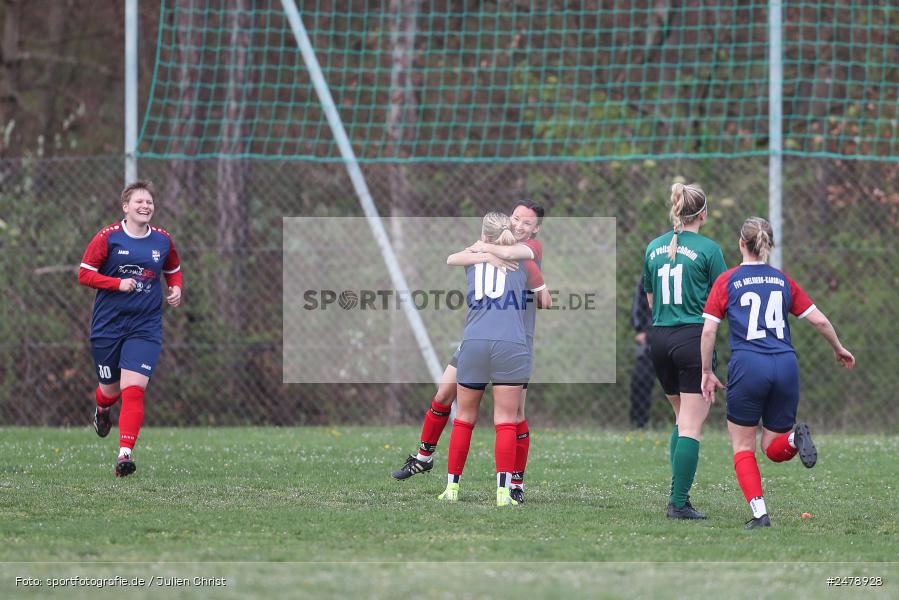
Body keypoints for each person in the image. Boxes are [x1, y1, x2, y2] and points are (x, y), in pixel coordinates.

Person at [700, 217, 855, 528]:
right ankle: (796, 438)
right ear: (768, 244)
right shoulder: (783, 280)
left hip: (749, 364)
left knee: (743, 446)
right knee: (773, 446)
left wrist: (706, 370)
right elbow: (820, 321)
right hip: (785, 363)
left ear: (741, 244)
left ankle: (760, 515)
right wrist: (839, 348)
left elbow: (708, 332)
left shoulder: (728, 281)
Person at [391, 200, 545, 503]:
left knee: (514, 414)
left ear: (536, 228)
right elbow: (458, 256)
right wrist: (485, 249)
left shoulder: (529, 252)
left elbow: (541, 292)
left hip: (515, 340)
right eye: (516, 219)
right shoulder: (490, 245)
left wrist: (486, 251)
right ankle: (424, 457)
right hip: (478, 338)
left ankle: (516, 483)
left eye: (527, 223)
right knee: (443, 393)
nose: (519, 225)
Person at [436, 211, 550, 506]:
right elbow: (545, 300)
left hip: (473, 343)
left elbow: (451, 258)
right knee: (505, 420)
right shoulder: (524, 261)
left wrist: (483, 251)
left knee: (463, 417)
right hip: (510, 344)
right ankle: (503, 493)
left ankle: (452, 489)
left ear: (483, 233)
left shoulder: (473, 255)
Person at [78, 180, 182, 477]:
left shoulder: (162, 240)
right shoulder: (109, 238)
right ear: (126, 207)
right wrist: (117, 284)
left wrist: (176, 289)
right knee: (109, 391)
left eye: (149, 202)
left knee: (134, 389)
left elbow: (173, 269)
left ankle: (124, 454)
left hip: (145, 325)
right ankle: (101, 409)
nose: (145, 206)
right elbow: (84, 275)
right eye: (139, 202)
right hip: (108, 326)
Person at [642, 182, 727, 519]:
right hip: (693, 339)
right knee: (692, 424)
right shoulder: (709, 249)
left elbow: (650, 299)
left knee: (681, 418)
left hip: (659, 338)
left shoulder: (653, 246)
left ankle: (678, 496)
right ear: (703, 214)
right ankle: (678, 503)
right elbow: (723, 299)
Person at [630, 275, 656, 428]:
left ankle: (683, 424)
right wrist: (639, 328)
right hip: (649, 337)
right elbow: (638, 301)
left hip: (675, 334)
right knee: (640, 378)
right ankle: (638, 423)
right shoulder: (648, 273)